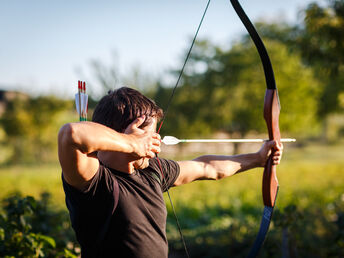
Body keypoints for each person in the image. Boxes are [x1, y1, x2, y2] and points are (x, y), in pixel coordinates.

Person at [58, 87, 283, 258]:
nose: (155, 143)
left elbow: (208, 167)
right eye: (150, 136)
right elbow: (71, 134)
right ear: (127, 134)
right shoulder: (94, 180)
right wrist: (132, 144)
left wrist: (258, 158)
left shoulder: (152, 170)